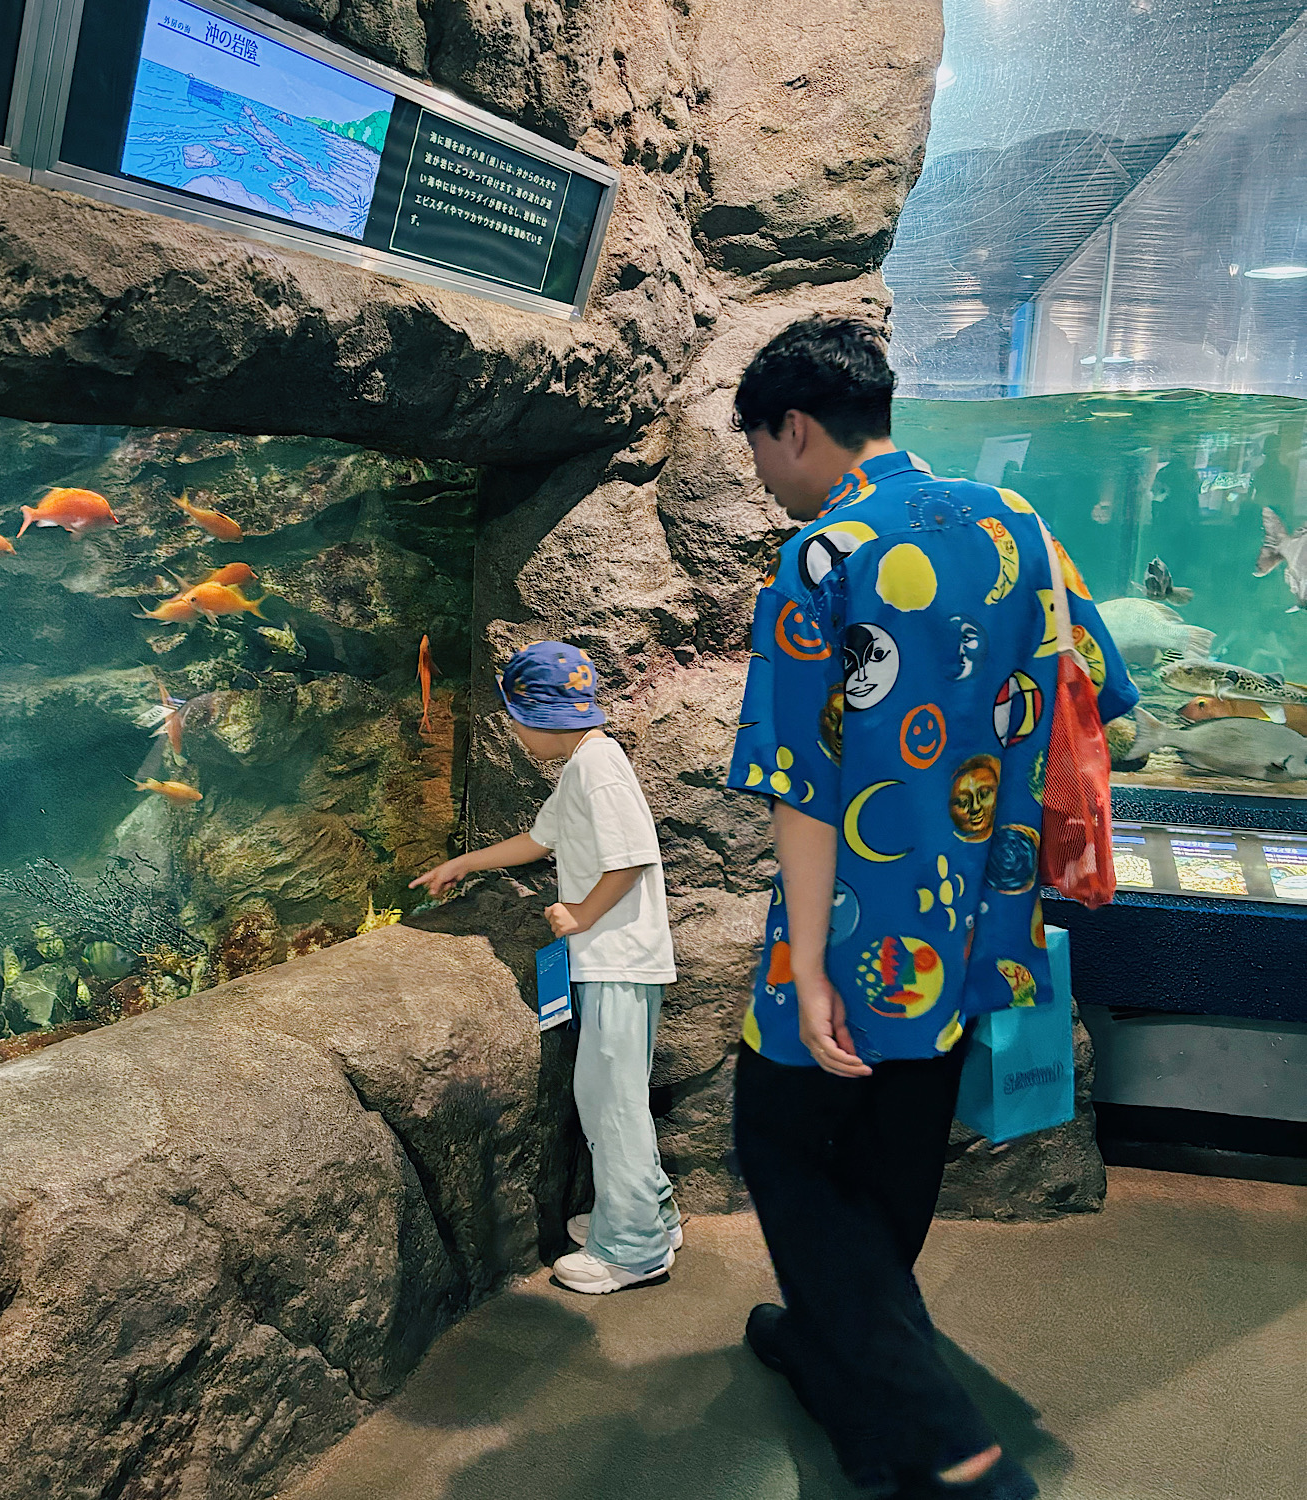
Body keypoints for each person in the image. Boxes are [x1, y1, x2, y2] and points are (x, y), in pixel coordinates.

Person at [726, 317, 1138, 1500]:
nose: (765, 479)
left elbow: (803, 785)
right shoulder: (1020, 526)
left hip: (857, 935)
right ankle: (840, 1371)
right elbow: (1097, 694)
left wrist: (805, 972)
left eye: (760, 450)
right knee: (898, 1151)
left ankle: (950, 1441)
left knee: (780, 1144)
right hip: (978, 922)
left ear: (793, 425)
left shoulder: (822, 556)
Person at [412, 640, 680, 1294]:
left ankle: (635, 1250)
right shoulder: (585, 765)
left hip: (618, 960)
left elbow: (632, 857)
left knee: (610, 1104)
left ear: (539, 717)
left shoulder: (597, 767)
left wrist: (581, 915)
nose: (511, 729)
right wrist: (465, 863)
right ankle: (650, 1215)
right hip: (613, 961)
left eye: (511, 717)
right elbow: (541, 840)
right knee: (612, 1098)